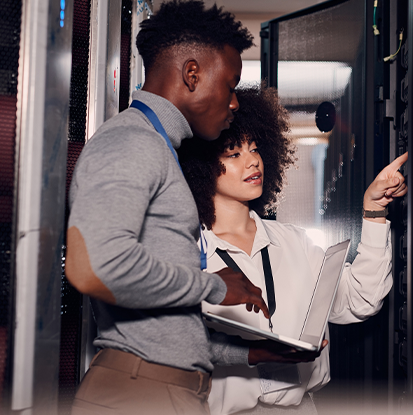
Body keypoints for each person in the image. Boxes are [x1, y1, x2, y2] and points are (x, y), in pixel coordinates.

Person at [65, 2, 270, 414]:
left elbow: (166, 330)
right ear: (192, 74)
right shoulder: (132, 141)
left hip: (161, 388)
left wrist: (254, 356)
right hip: (139, 391)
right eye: (230, 86)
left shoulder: (159, 148)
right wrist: (214, 286)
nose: (234, 104)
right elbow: (94, 267)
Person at [177, 84, 408, 415]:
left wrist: (374, 211)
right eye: (234, 153)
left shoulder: (294, 243)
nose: (253, 161)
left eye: (255, 149)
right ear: (200, 167)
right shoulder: (187, 253)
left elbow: (360, 299)